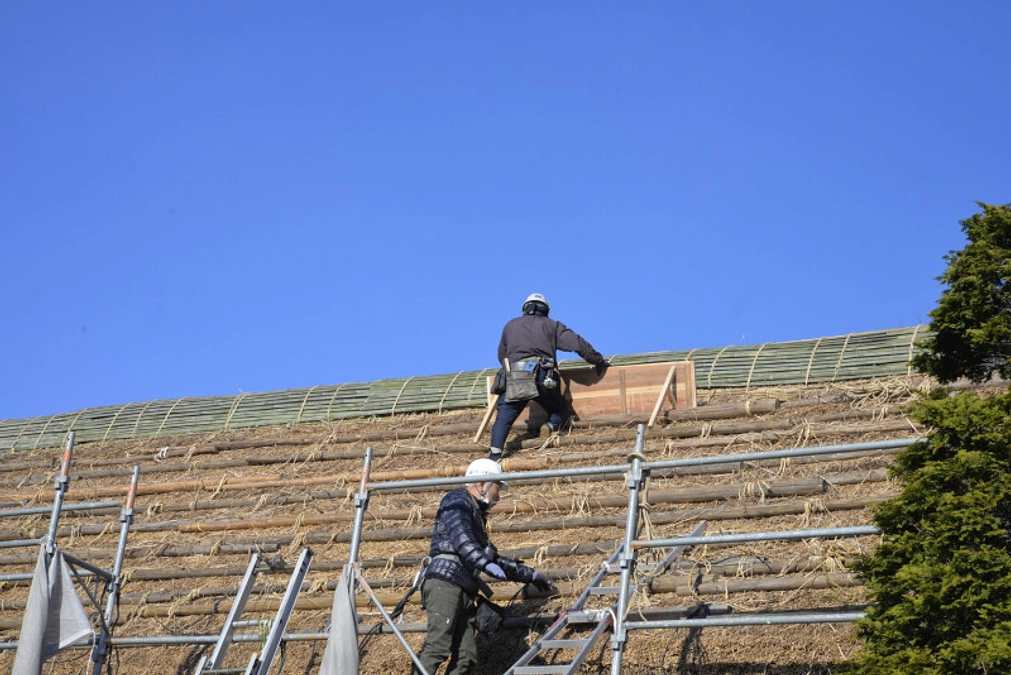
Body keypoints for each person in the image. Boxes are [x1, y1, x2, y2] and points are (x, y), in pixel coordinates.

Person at [413, 458, 556, 675]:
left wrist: (531, 575)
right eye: (497, 488)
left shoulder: (475, 515)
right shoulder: (456, 502)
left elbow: (491, 558)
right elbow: (463, 541)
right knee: (438, 647)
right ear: (482, 484)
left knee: (466, 656)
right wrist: (485, 563)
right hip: (445, 583)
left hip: (464, 587)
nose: (498, 496)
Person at [489, 293, 607, 461]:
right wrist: (598, 361)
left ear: (525, 308)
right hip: (543, 376)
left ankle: (494, 455)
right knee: (560, 410)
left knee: (504, 417)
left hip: (515, 377)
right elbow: (577, 344)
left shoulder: (510, 326)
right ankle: (550, 425)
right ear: (545, 309)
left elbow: (502, 356)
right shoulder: (552, 325)